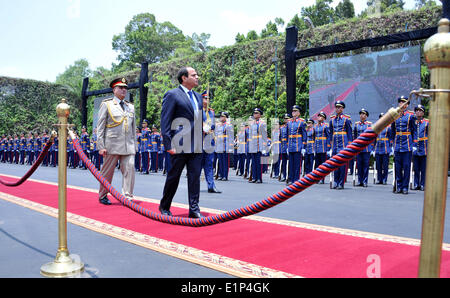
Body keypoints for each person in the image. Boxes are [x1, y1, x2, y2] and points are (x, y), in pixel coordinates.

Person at [159, 67, 204, 218]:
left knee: (195, 177)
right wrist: (168, 144)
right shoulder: (173, 95)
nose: (197, 77)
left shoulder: (198, 97)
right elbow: (165, 121)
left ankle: (194, 209)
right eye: (194, 75)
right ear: (184, 78)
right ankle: (165, 206)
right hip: (178, 144)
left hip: (196, 143)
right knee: (173, 177)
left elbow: (197, 119)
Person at [97, 77, 138, 205]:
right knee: (107, 172)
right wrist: (101, 146)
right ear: (114, 89)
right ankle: (103, 194)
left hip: (128, 145)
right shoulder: (107, 104)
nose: (123, 90)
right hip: (111, 145)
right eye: (120, 87)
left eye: (125, 88)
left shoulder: (130, 107)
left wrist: (134, 146)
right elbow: (100, 127)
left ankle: (127, 196)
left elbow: (133, 128)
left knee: (130, 168)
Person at [390, 96, 416, 195]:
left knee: (406, 167)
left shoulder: (411, 116)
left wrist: (413, 144)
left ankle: (405, 187)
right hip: (397, 145)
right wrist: (392, 144)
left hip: (407, 145)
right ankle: (399, 186)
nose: (402, 104)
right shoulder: (394, 115)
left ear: (407, 105)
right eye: (400, 102)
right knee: (397, 167)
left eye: (404, 103)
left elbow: (414, 130)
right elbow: (392, 131)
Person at [329, 101, 353, 189]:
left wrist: (349, 145)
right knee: (335, 163)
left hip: (343, 143)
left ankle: (341, 183)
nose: (337, 109)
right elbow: (331, 133)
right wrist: (330, 146)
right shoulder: (332, 120)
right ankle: (335, 181)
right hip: (335, 144)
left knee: (342, 164)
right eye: (336, 107)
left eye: (339, 107)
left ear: (342, 108)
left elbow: (350, 133)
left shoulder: (346, 119)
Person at [201, 91, 221, 193]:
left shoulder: (211, 112)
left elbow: (213, 126)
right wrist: (202, 127)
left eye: (208, 99)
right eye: (205, 99)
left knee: (209, 164)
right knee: (197, 166)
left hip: (209, 141)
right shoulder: (197, 111)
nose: (207, 101)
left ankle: (211, 186)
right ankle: (194, 187)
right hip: (199, 141)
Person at [287, 105, 306, 184]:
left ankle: (296, 180)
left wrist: (303, 147)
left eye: (295, 111)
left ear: (298, 113)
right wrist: (287, 146)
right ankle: (290, 178)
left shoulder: (302, 122)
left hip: (298, 145)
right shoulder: (289, 122)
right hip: (291, 146)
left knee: (297, 164)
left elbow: (304, 135)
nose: (293, 113)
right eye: (293, 111)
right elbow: (288, 134)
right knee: (291, 164)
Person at [353, 108, 373, 187]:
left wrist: (371, 147)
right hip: (358, 147)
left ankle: (365, 181)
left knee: (365, 165)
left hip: (366, 148)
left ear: (366, 116)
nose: (362, 115)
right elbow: (355, 136)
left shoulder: (369, 125)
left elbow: (372, 137)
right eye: (361, 114)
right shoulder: (356, 124)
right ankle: (359, 180)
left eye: (364, 114)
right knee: (359, 165)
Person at [248, 108, 267, 183]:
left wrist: (265, 146)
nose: (255, 114)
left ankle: (259, 178)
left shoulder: (262, 123)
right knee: (254, 162)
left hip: (259, 145)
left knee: (259, 163)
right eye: (254, 113)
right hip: (253, 145)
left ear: (260, 115)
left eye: (256, 113)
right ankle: (254, 177)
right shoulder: (251, 123)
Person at [412, 104, 428, 191]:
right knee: (416, 168)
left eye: (420, 110)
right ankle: (416, 184)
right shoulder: (413, 122)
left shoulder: (427, 122)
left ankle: (423, 184)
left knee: (423, 168)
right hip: (415, 148)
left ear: (423, 113)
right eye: (417, 110)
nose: (418, 112)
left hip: (424, 147)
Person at [215, 112, 234, 181]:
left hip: (226, 145)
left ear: (226, 117)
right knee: (220, 161)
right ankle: (221, 174)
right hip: (219, 145)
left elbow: (231, 137)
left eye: (222, 116)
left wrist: (230, 146)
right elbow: (216, 135)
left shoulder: (229, 126)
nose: (221, 118)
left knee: (225, 161)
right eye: (220, 117)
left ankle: (225, 176)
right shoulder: (218, 125)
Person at [374, 113, 392, 185]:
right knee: (378, 165)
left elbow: (390, 138)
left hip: (385, 147)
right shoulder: (377, 127)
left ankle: (384, 179)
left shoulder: (389, 127)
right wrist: (373, 148)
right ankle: (379, 179)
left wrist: (391, 147)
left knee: (385, 165)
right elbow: (374, 138)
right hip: (378, 148)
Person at [313, 111, 330, 184]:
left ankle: (322, 178)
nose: (319, 117)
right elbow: (314, 137)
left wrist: (328, 147)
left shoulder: (326, 126)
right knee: (317, 164)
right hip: (317, 147)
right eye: (318, 116)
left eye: (321, 116)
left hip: (323, 147)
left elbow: (328, 137)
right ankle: (317, 178)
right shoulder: (315, 126)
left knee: (323, 164)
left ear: (324, 118)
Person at [279, 114, 290, 182]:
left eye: (287, 118)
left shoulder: (290, 127)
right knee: (284, 162)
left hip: (289, 146)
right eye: (285, 118)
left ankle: (289, 176)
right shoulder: (282, 128)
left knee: (290, 163)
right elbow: (280, 137)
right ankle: (284, 175)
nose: (286, 120)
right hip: (283, 146)